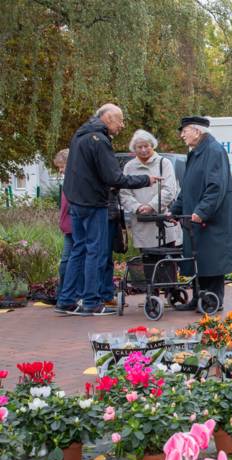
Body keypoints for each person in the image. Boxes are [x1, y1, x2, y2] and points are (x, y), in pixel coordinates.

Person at [55, 104, 159, 316]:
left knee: (79, 249)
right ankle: (92, 302)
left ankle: (66, 300)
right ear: (109, 118)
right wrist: (146, 180)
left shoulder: (80, 135)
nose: (122, 125)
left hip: (76, 202)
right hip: (93, 203)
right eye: (120, 120)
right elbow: (114, 177)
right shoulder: (100, 140)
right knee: (96, 251)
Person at [171, 116, 232, 310]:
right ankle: (199, 297)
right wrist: (175, 210)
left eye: (184, 130)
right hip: (197, 218)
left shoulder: (213, 150)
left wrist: (202, 211)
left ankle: (212, 300)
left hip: (212, 219)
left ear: (197, 131)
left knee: (212, 260)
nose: (182, 135)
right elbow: (187, 187)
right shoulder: (196, 152)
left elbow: (216, 186)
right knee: (200, 259)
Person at [121, 130, 181, 249]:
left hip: (162, 222)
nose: (143, 150)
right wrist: (137, 207)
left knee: (166, 261)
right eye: (139, 147)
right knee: (147, 261)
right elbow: (124, 193)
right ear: (134, 148)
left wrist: (151, 206)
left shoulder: (164, 163)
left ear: (152, 146)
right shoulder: (129, 167)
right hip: (140, 222)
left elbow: (169, 190)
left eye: (146, 146)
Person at [54, 149, 76, 300]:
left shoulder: (73, 181)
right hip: (69, 227)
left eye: (62, 166)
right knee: (67, 261)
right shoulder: (69, 181)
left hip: (73, 227)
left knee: (68, 261)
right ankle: (64, 294)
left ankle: (65, 294)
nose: (60, 170)